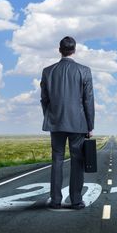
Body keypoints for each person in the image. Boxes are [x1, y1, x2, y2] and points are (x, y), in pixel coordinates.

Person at [40, 36, 95, 210]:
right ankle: (76, 201)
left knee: (56, 160)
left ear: (60, 50)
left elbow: (44, 99)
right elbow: (88, 100)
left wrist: (51, 117)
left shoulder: (47, 71)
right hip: (78, 123)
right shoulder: (84, 71)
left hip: (55, 122)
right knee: (77, 161)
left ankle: (55, 201)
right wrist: (90, 125)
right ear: (74, 50)